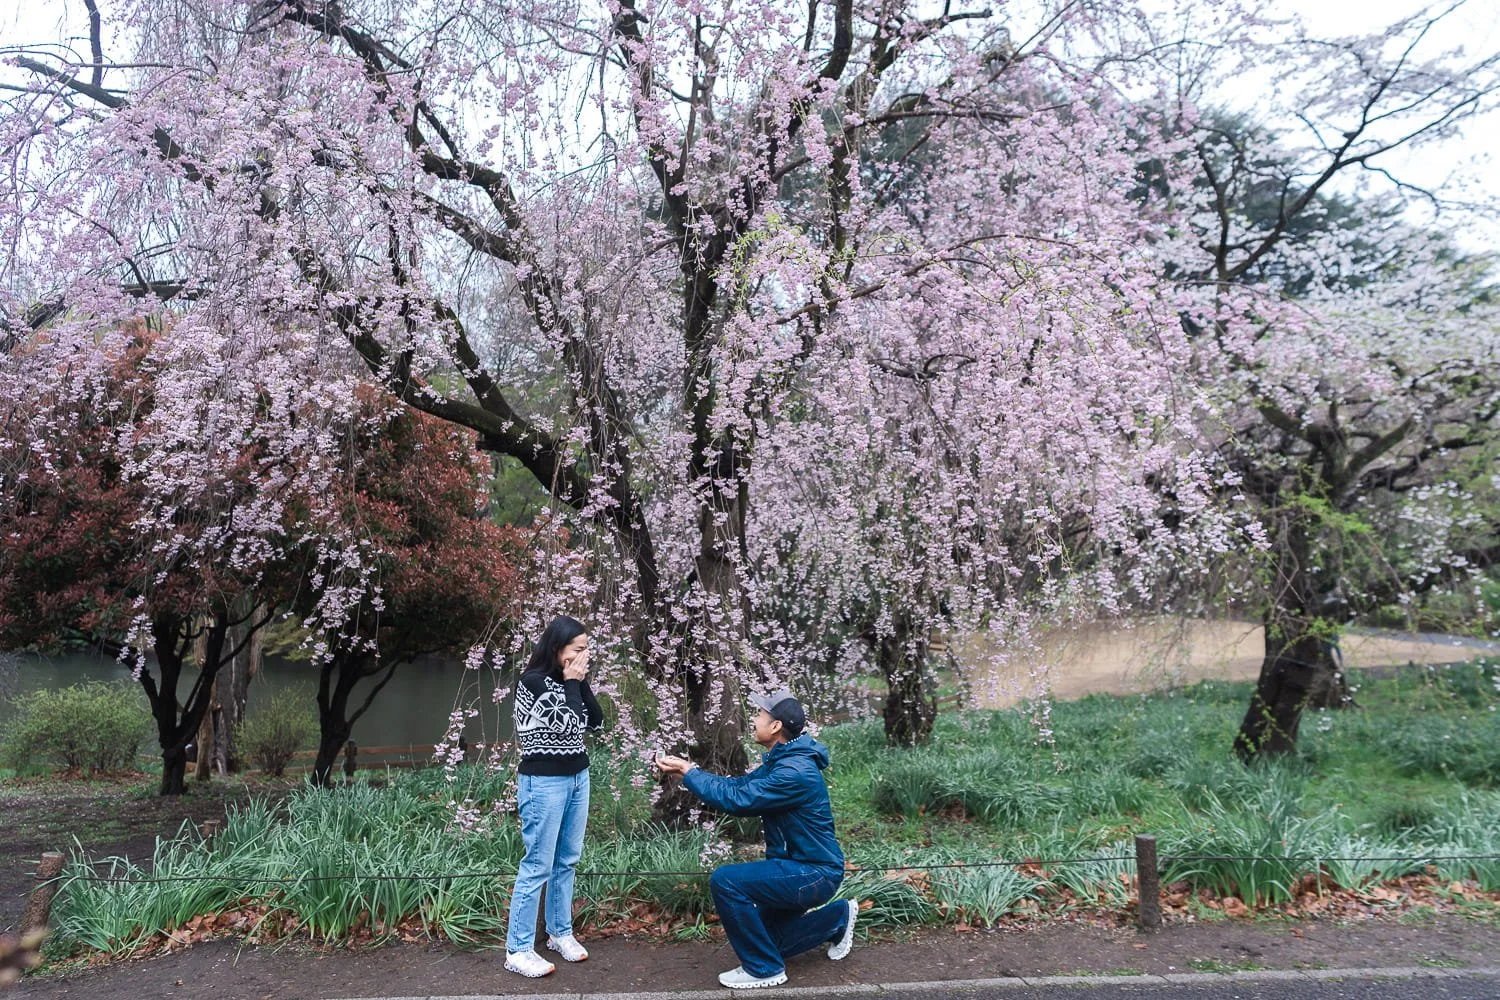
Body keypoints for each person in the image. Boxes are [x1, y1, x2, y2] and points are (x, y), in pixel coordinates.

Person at [655, 689, 860, 990]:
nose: (753, 720)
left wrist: (690, 774)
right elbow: (738, 785)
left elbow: (738, 800)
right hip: (800, 867)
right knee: (767, 937)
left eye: (759, 715)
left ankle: (765, 969)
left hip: (813, 872)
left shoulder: (794, 771)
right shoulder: (784, 760)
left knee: (726, 881)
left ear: (776, 726)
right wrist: (688, 773)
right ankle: (836, 918)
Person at [504, 615, 605, 978]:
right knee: (538, 865)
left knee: (568, 860)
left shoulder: (570, 681)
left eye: (586, 650)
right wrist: (572, 683)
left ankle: (560, 932)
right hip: (544, 782)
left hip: (578, 777)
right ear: (556, 648)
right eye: (578, 650)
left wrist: (579, 681)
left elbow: (596, 721)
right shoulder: (532, 683)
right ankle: (518, 948)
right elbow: (572, 723)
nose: (584, 656)